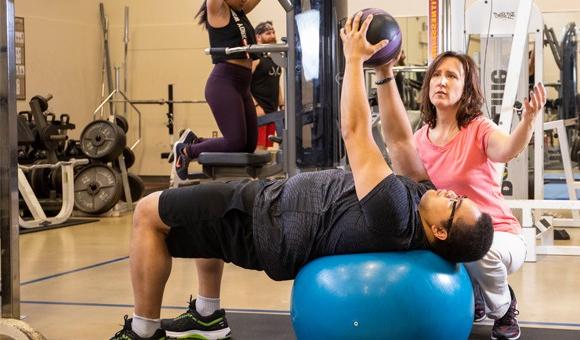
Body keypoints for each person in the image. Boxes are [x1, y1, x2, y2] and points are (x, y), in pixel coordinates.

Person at [109, 12, 494, 340]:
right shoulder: (421, 201)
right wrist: (384, 72)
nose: (451, 194)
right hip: (272, 204)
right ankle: (207, 315)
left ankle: (143, 330)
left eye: (456, 204)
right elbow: (397, 139)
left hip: (267, 222)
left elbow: (357, 133)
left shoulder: (396, 212)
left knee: (147, 213)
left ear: (440, 231)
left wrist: (354, 60)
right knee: (207, 204)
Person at [372, 47, 545, 339]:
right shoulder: (420, 138)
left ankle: (503, 309)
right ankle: (470, 291)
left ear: (466, 89)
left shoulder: (478, 129)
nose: (441, 81)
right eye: (436, 75)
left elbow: (508, 150)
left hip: (497, 235)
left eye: (452, 76)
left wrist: (528, 121)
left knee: (477, 247)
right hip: (449, 237)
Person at [172, 0, 263, 181]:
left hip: (243, 86)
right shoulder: (217, 9)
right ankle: (186, 150)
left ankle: (196, 141)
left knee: (249, 145)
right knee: (235, 142)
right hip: (224, 83)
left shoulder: (240, 10)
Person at [251, 21, 284, 150]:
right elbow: (243, 84)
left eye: (273, 32)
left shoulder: (274, 58)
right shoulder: (255, 58)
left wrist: (282, 104)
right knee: (258, 149)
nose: (273, 35)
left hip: (272, 111)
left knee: (265, 148)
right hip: (259, 111)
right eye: (268, 33)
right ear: (258, 37)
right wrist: (256, 106)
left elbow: (276, 82)